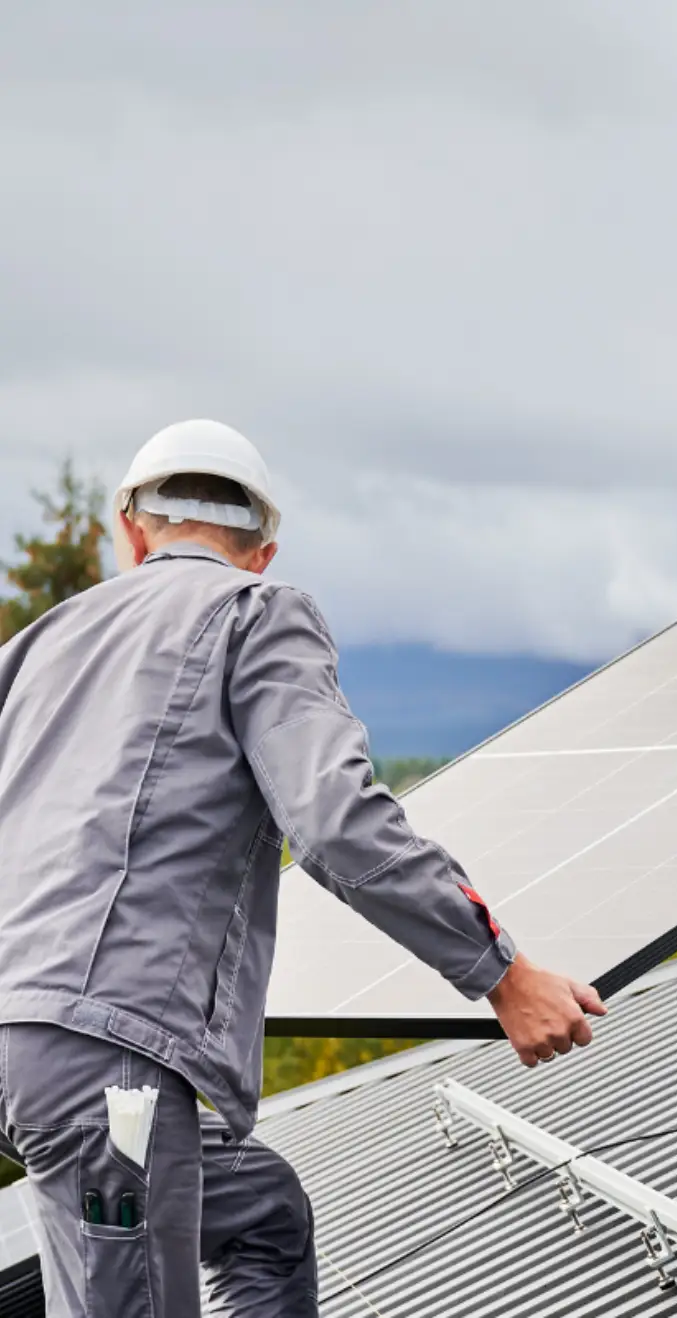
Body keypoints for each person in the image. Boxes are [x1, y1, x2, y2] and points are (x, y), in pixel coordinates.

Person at [0, 418, 606, 1316]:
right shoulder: (258, 613)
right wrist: (502, 973)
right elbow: (336, 821)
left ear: (131, 532)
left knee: (264, 1215)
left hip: (25, 1045)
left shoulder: (40, 643)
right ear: (262, 552)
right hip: (110, 1064)